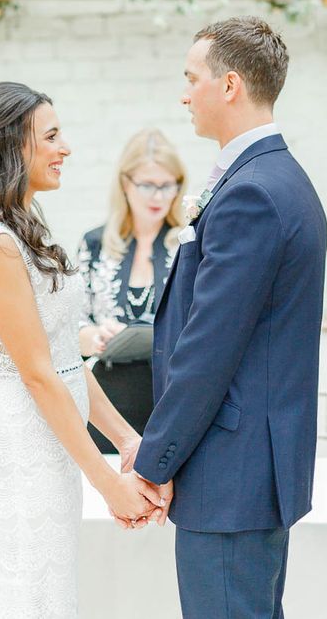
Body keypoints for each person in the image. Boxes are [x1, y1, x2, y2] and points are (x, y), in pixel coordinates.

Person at [0, 82, 171, 619]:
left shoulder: (24, 230)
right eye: (50, 135)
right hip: (20, 452)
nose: (65, 147)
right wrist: (107, 483)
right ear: (8, 148)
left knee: (50, 594)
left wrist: (127, 441)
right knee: (23, 597)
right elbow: (39, 375)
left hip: (50, 450)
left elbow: (66, 358)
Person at [127, 16, 327, 618]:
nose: (184, 94)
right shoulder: (272, 178)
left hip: (229, 472)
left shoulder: (252, 193)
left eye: (192, 79)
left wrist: (154, 459)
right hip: (247, 469)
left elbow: (209, 347)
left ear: (231, 85)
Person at [77, 128, 186, 453]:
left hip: (173, 404)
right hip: (109, 406)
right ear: (125, 184)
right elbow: (69, 326)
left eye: (168, 186)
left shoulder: (190, 244)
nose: (158, 197)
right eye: (148, 185)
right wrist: (96, 335)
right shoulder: (94, 244)